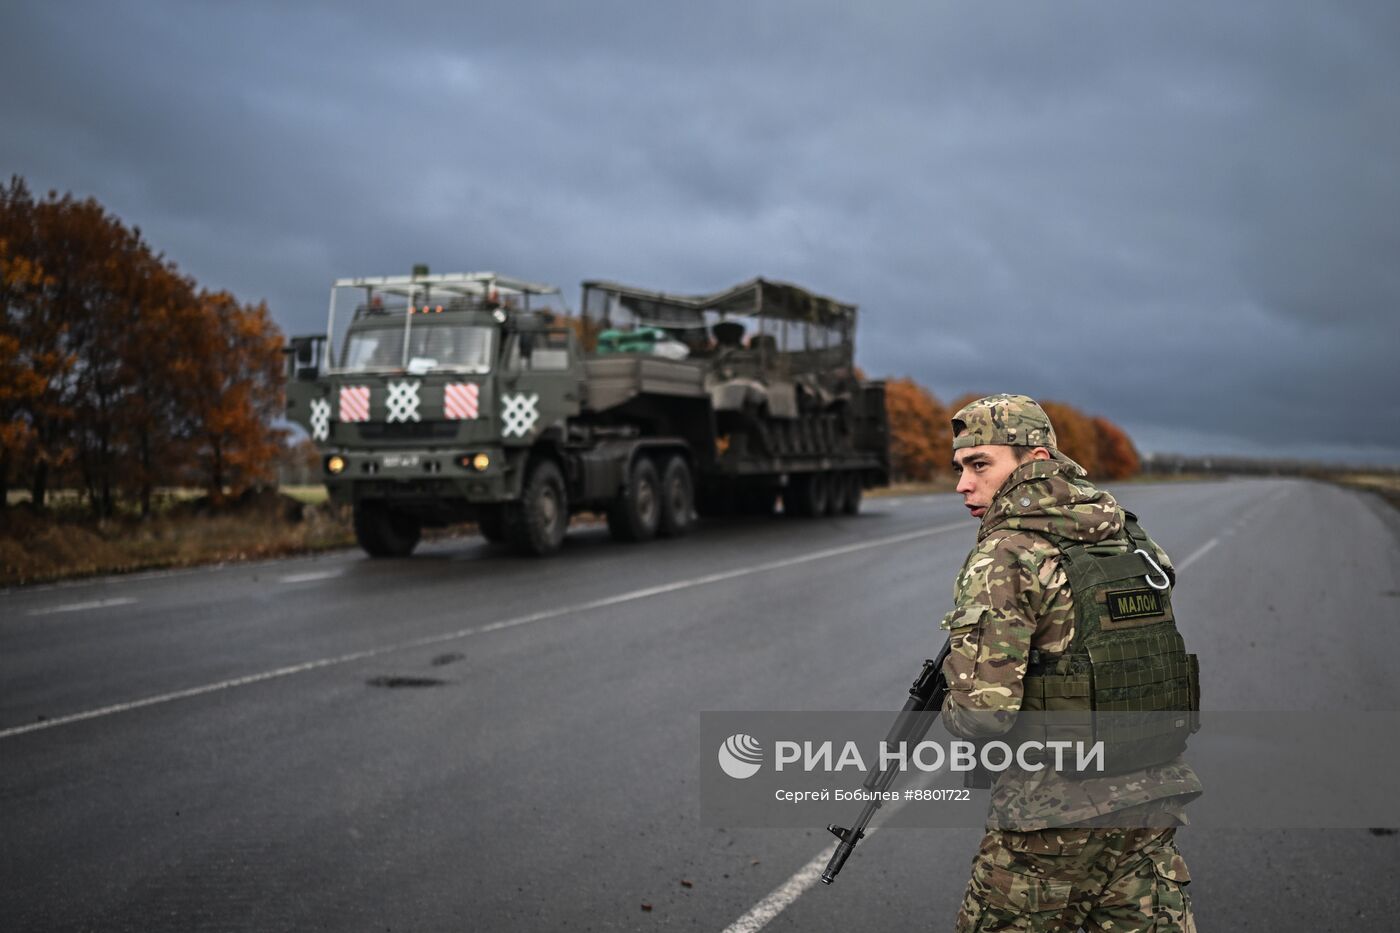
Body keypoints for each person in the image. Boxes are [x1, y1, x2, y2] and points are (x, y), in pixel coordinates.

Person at [939, 394, 1201, 932]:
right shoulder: (1130, 535)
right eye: (959, 468)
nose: (963, 484)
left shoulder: (1008, 553)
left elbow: (982, 716)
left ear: (1034, 459)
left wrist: (950, 698)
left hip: (1049, 819)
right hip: (1150, 803)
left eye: (980, 464)